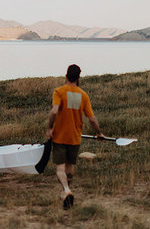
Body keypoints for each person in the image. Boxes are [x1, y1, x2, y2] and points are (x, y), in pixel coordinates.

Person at [46, 64, 104, 209]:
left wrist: (49, 128)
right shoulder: (83, 95)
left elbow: (53, 112)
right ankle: (66, 192)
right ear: (78, 78)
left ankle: (66, 190)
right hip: (74, 137)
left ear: (66, 76)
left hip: (59, 136)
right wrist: (99, 132)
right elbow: (91, 119)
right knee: (70, 166)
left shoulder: (59, 91)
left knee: (60, 169)